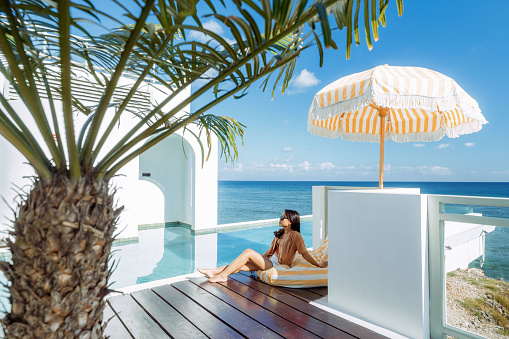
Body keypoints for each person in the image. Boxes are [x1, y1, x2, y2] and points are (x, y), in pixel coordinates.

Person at [197, 209, 328, 283]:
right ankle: (212, 271)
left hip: (277, 265)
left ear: (291, 221)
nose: (280, 218)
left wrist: (319, 265)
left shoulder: (296, 236)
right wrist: (259, 259)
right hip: (270, 261)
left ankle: (222, 276)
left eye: (283, 217)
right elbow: (270, 251)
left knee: (248, 251)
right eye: (281, 216)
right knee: (240, 265)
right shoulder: (281, 233)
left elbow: (304, 254)